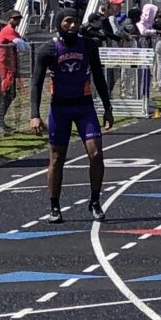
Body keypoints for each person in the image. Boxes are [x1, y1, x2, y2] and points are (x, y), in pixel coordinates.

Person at [28, 14, 113, 222]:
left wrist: (107, 108)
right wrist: (34, 115)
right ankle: (54, 206)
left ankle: (94, 201)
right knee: (57, 159)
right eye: (67, 21)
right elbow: (36, 83)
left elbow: (99, 78)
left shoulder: (89, 46)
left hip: (84, 106)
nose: (72, 25)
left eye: (75, 21)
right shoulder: (48, 49)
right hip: (60, 108)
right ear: (59, 24)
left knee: (95, 154)